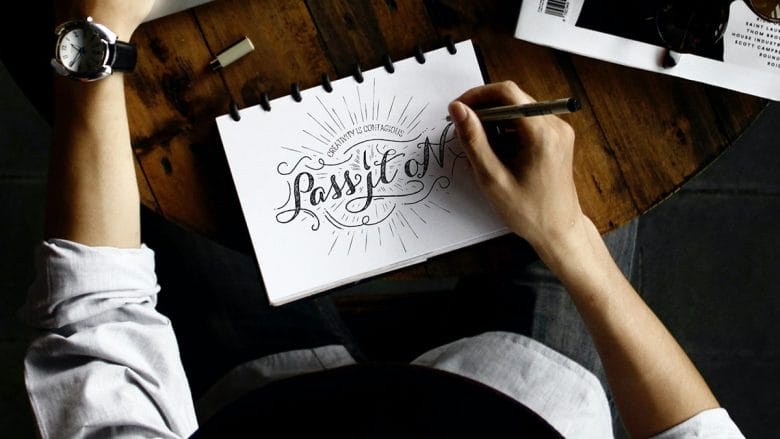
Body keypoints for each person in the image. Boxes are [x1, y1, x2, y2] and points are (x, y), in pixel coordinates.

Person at [20, 1, 745, 437]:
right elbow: (698, 431)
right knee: (600, 131)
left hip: (267, 393)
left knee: (173, 187)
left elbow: (98, 319)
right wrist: (567, 237)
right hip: (533, 391)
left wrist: (99, 34)